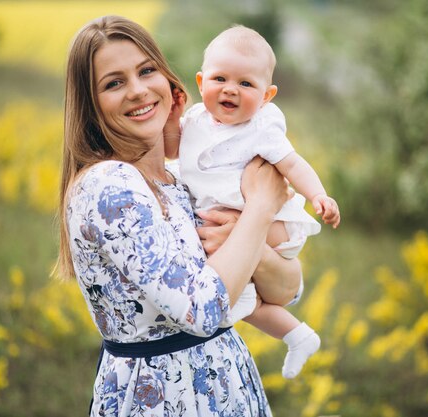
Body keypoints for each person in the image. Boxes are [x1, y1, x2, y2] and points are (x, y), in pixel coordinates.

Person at [56, 15, 304, 416]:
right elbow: (204, 310)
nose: (138, 91)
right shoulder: (110, 185)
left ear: (168, 80)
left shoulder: (177, 181)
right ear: (91, 104)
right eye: (113, 83)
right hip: (166, 398)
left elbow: (288, 290)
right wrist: (259, 208)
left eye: (146, 70)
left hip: (227, 384)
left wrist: (251, 241)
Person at [164, 26, 341, 379]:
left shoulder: (260, 129)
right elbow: (172, 150)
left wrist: (318, 194)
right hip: (237, 223)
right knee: (241, 302)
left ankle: (294, 333)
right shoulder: (196, 120)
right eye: (220, 78)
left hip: (272, 225)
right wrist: (173, 118)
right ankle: (298, 335)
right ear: (201, 82)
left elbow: (292, 163)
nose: (231, 89)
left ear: (266, 95)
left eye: (246, 84)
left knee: (233, 294)